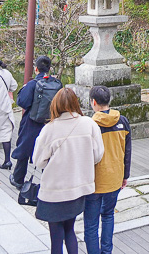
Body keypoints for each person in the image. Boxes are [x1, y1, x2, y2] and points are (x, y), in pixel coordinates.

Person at [33, 88, 104, 254]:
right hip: (77, 188)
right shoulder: (89, 124)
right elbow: (98, 155)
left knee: (56, 237)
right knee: (69, 230)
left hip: (54, 191)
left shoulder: (49, 129)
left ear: (55, 105)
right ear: (75, 103)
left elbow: (38, 161)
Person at [84, 85, 132, 254]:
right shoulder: (122, 121)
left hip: (95, 180)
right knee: (108, 215)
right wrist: (125, 175)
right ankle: (107, 251)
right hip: (115, 177)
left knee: (91, 224)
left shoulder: (90, 125)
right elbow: (127, 151)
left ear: (93, 102)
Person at [10, 55, 61, 188]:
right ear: (49, 68)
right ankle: (47, 182)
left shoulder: (33, 84)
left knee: (24, 150)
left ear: (36, 69)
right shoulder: (56, 84)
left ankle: (18, 179)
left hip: (31, 122)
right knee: (48, 152)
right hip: (50, 123)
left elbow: (22, 102)